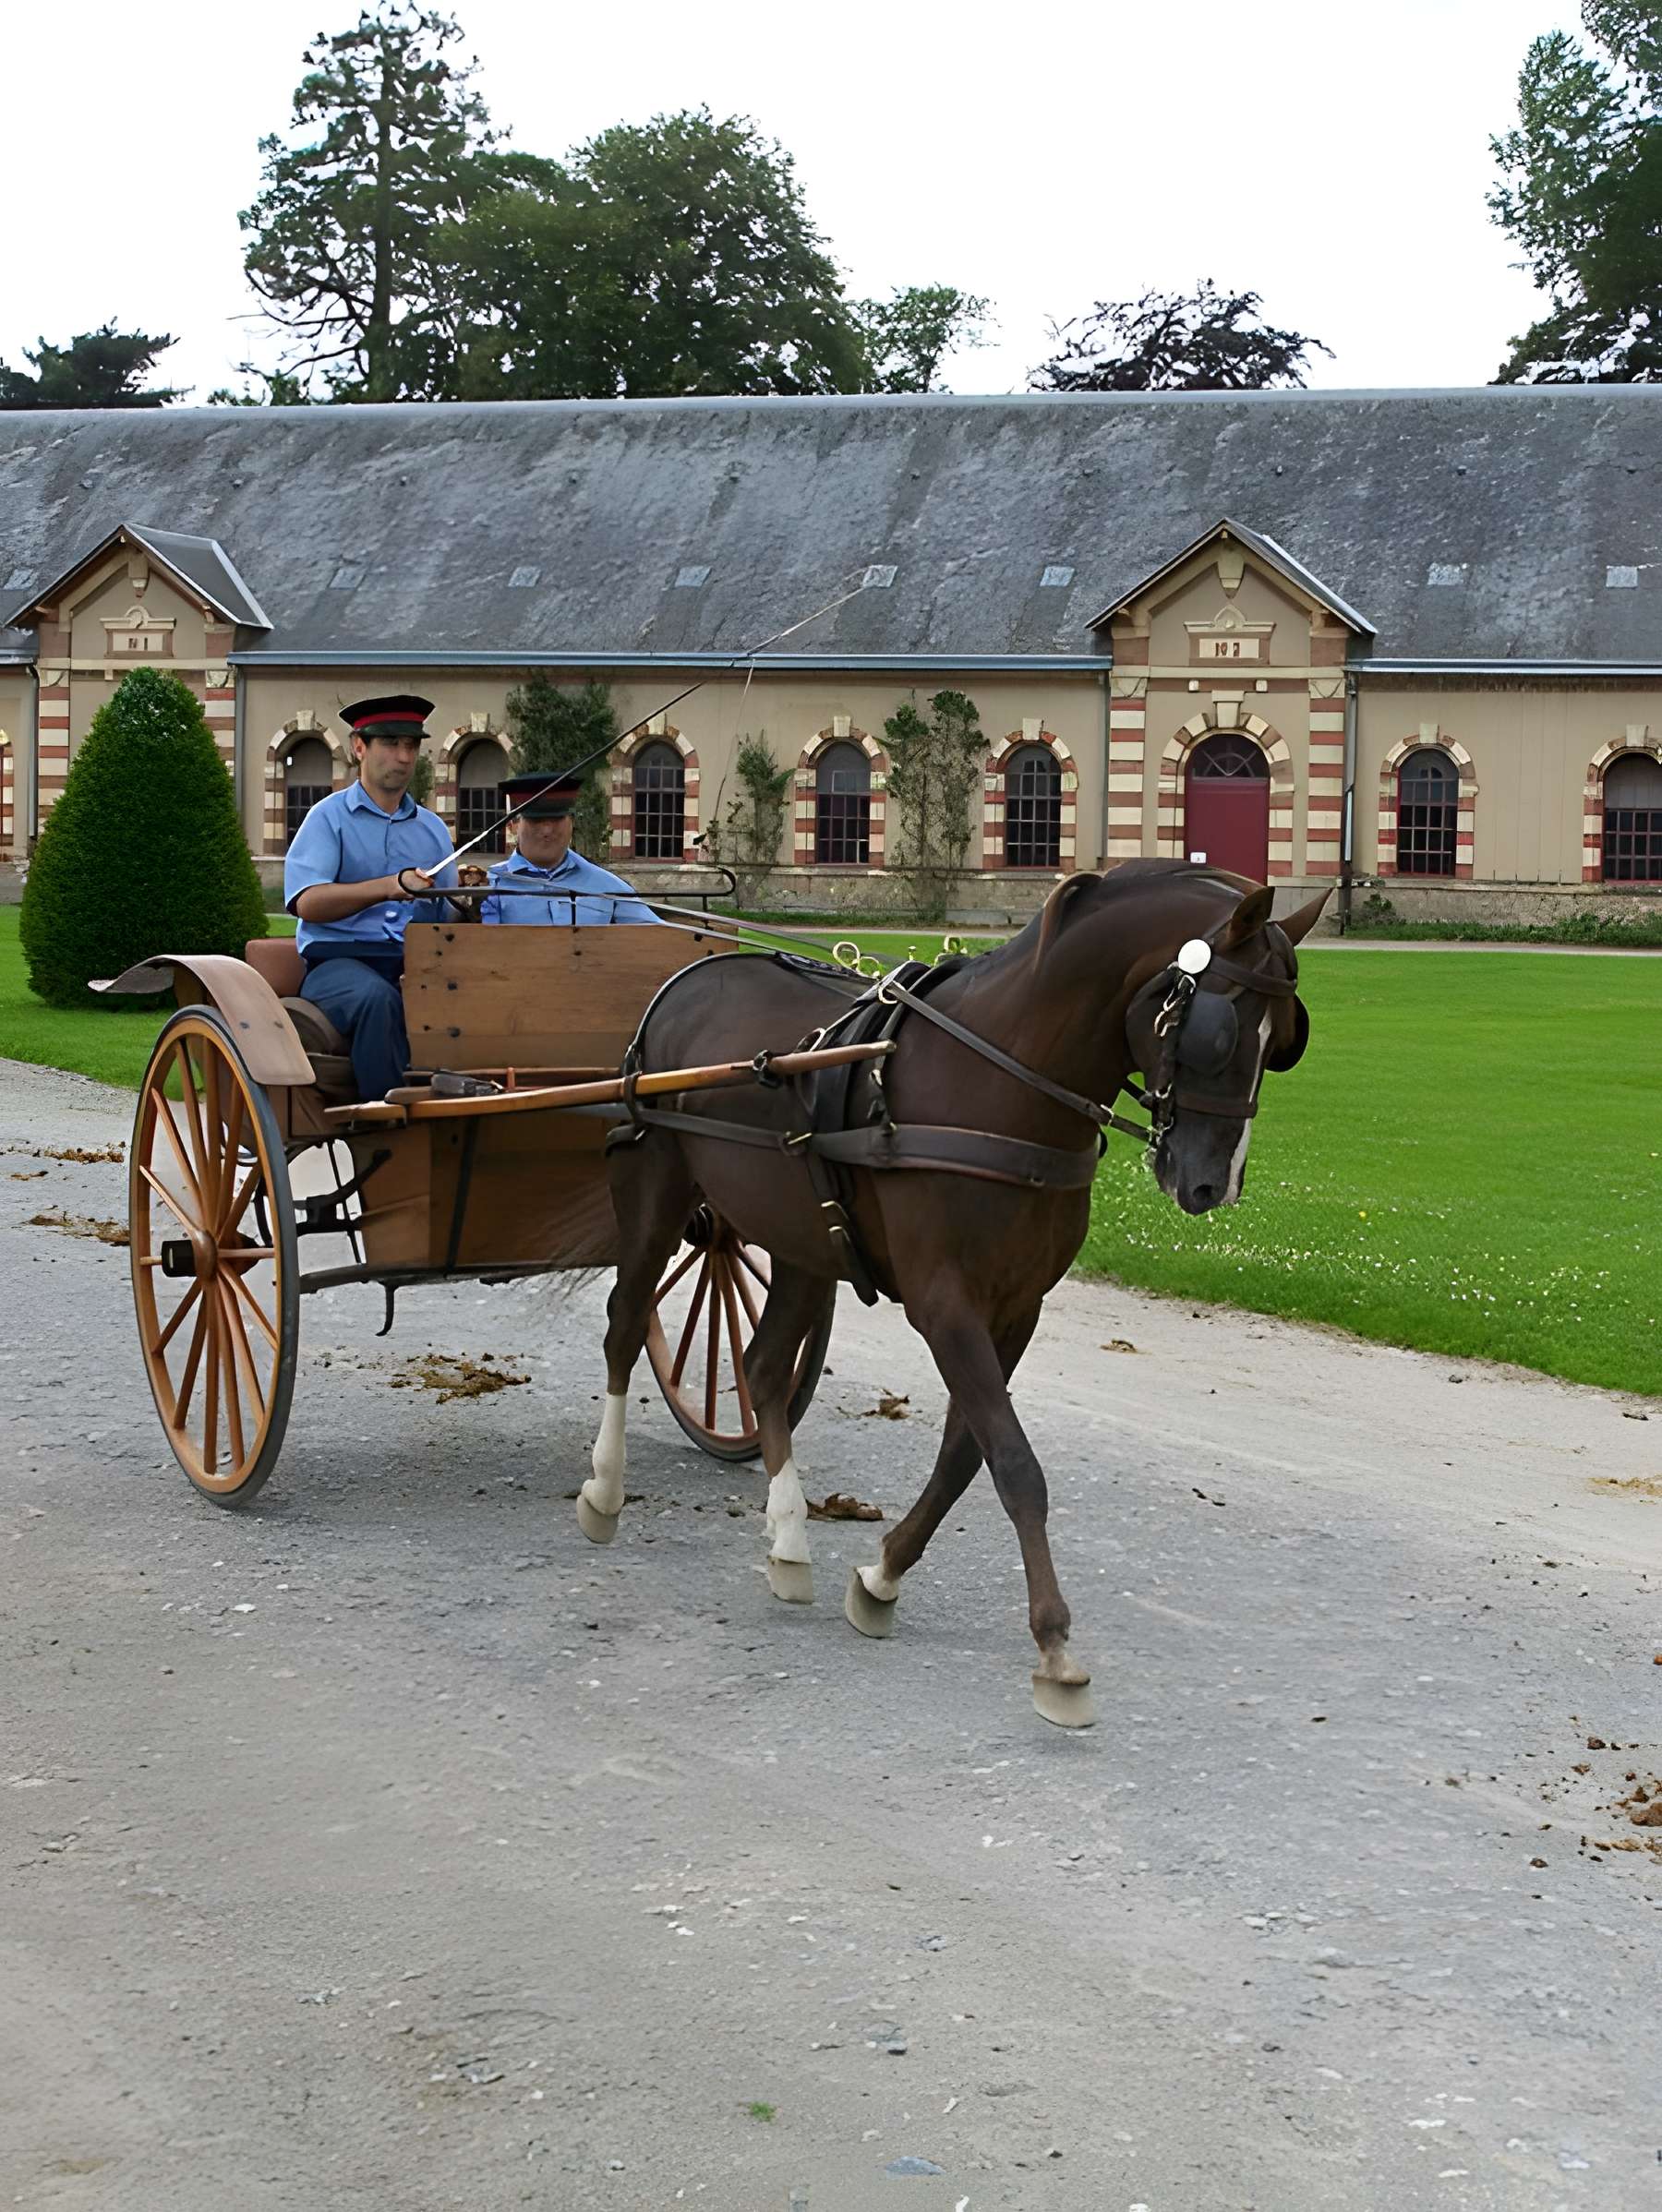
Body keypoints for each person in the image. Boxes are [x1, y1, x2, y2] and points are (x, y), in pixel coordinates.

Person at [283, 694, 457, 1100]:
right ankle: (386, 1127)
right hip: (335, 964)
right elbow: (306, 902)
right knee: (378, 1000)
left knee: (473, 994)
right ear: (359, 746)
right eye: (391, 743)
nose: (403, 756)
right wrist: (390, 886)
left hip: (414, 965)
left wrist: (471, 903)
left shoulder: (432, 830)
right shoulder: (327, 818)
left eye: (411, 746)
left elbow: (448, 916)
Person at [479, 771, 659, 926]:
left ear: (572, 823)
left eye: (557, 819)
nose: (547, 831)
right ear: (512, 825)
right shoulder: (487, 886)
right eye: (536, 821)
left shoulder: (609, 887)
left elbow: (661, 940)